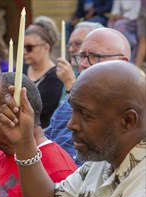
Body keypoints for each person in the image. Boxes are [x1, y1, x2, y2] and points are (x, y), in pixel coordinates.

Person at [0, 60, 146, 197]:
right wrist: (24, 143)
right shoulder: (100, 161)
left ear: (128, 121)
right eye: (73, 110)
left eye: (85, 114)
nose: (70, 124)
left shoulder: (140, 193)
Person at [44, 28, 131, 167]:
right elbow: (42, 148)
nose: (83, 64)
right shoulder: (66, 108)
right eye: (82, 56)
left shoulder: (130, 116)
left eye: (95, 56)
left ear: (123, 62)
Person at [23, 21, 63, 128]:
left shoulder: (56, 76)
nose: (24, 52)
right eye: (23, 47)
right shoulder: (22, 69)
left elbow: (39, 110)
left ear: (46, 47)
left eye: (29, 47)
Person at [56, 21, 103, 104]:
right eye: (69, 45)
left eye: (78, 44)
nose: (71, 50)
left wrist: (70, 83)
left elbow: (85, 112)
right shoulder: (73, 73)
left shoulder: (102, 78)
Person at [135, 0, 146, 69]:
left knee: (142, 42)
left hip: (143, 7)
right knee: (142, 41)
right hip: (142, 9)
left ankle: (136, 72)